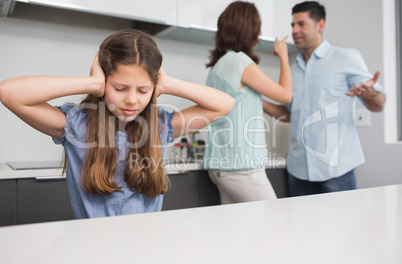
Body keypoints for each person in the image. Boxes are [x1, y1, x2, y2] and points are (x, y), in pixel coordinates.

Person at [0, 29, 235, 218]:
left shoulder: (160, 127)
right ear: (104, 83)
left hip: (147, 249)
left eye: (143, 90)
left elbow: (224, 104)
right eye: (120, 88)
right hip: (96, 250)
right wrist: (91, 83)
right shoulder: (77, 126)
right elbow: (9, 92)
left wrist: (168, 83)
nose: (132, 99)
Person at [263, 1, 386, 197]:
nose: (294, 30)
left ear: (320, 25)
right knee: (300, 228)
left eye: (301, 24)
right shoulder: (291, 72)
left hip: (336, 171)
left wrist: (370, 94)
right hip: (298, 171)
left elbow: (378, 104)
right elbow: (289, 115)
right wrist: (256, 100)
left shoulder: (346, 57)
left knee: (341, 227)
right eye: (292, 25)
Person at [203, 1, 292, 204]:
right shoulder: (239, 61)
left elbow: (240, 103)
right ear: (251, 30)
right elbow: (286, 95)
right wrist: (284, 56)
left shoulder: (218, 66)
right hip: (242, 168)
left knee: (238, 232)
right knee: (275, 224)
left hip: (220, 166)